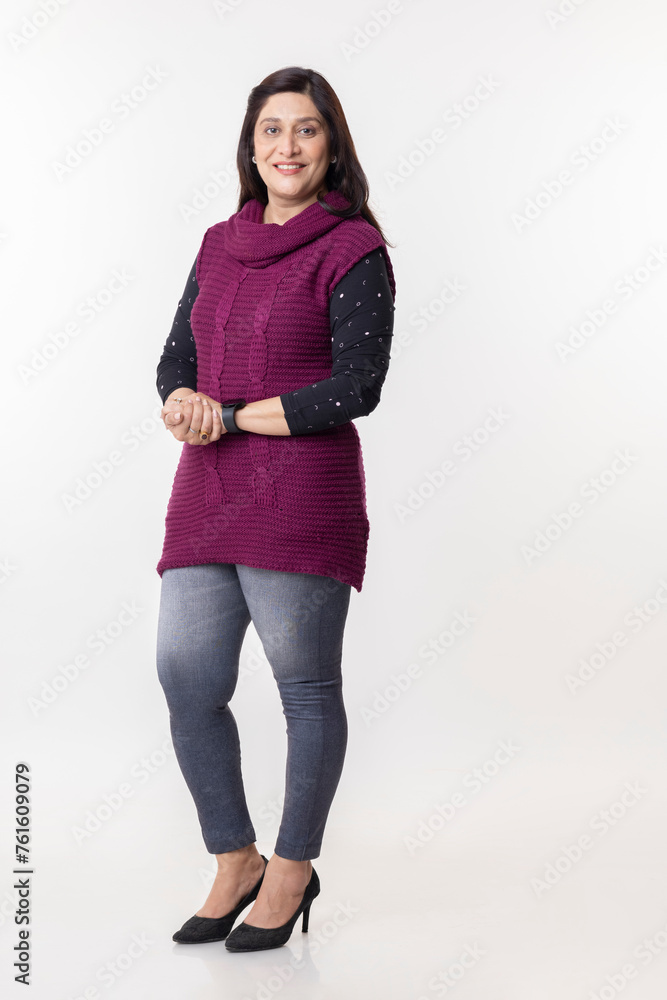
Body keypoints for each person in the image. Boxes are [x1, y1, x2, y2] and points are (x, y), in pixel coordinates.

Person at [155, 65, 396, 953]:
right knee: (186, 680)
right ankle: (236, 858)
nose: (286, 146)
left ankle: (292, 870)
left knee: (304, 690)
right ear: (249, 146)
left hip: (301, 498)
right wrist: (181, 400)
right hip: (206, 495)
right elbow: (175, 355)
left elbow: (356, 385)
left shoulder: (353, 248)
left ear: (331, 147)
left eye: (305, 129)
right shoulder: (218, 243)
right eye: (270, 129)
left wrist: (228, 416)